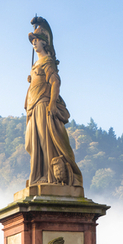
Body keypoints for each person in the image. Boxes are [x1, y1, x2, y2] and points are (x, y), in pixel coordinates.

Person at [24, 16, 83, 189]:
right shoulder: (36, 64)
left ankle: (49, 176)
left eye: (37, 40)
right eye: (33, 41)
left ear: (45, 42)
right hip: (33, 106)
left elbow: (55, 82)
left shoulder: (47, 61)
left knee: (45, 142)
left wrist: (52, 104)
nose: (34, 43)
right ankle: (38, 175)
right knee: (32, 144)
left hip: (43, 105)